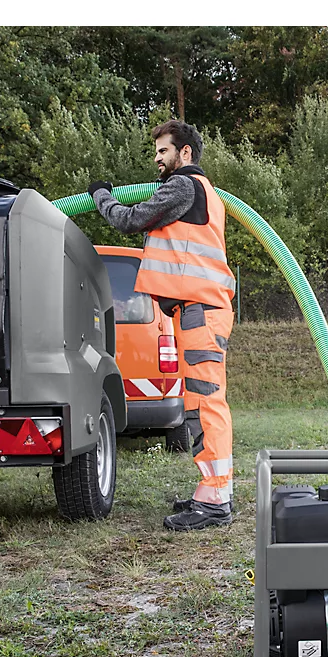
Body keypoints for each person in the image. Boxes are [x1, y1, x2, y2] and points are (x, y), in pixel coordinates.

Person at [87, 120, 235, 531]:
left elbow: (131, 220)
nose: (157, 158)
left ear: (184, 153)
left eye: (162, 150)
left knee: (206, 404)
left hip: (201, 312)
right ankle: (211, 492)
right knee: (196, 406)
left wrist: (100, 195)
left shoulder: (185, 186)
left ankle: (217, 500)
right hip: (196, 312)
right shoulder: (201, 193)